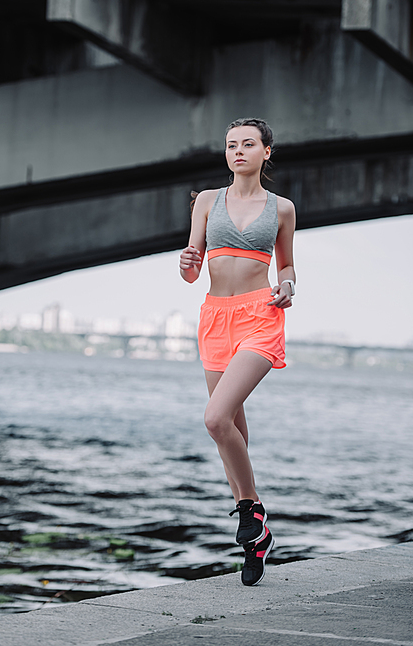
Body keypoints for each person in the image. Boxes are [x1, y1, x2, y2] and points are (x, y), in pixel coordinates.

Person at [179, 118, 296, 586]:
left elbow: (286, 265)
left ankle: (250, 510)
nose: (238, 151)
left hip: (259, 317)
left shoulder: (282, 209)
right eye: (231, 145)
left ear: (266, 152)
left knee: (214, 418)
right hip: (214, 318)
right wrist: (186, 263)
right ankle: (256, 542)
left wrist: (286, 286)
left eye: (248, 144)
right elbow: (193, 270)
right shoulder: (208, 201)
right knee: (231, 431)